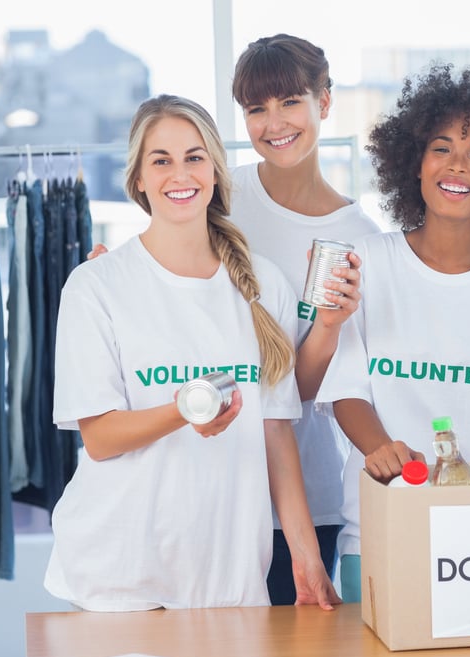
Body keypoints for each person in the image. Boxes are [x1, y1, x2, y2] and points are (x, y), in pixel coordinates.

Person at [44, 94, 339, 611]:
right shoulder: (96, 285)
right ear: (138, 177)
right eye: (161, 160)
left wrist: (307, 556)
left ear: (216, 171)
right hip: (119, 571)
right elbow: (100, 438)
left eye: (195, 157)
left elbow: (276, 433)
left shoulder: (265, 283)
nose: (180, 174)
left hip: (229, 573)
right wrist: (184, 410)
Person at [315, 64, 470, 602]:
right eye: (442, 148)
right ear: (414, 162)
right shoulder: (370, 263)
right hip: (380, 528)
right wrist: (381, 450)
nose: (458, 166)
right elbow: (346, 391)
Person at [229, 34, 381, 605]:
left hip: (308, 497)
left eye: (290, 101)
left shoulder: (362, 241)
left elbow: (305, 394)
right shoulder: (220, 196)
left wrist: (328, 327)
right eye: (256, 109)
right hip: (213, 486)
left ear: (325, 100)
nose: (274, 123)